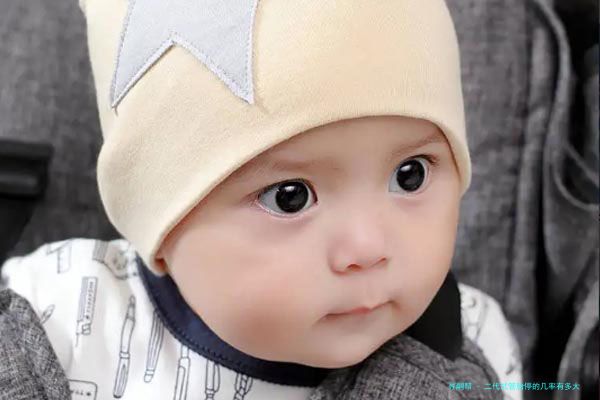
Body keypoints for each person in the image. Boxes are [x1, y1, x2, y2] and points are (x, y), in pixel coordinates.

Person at [0, 0, 521, 399]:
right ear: (160, 225)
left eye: (410, 175)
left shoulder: (474, 341)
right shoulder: (58, 319)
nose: (367, 247)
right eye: (290, 198)